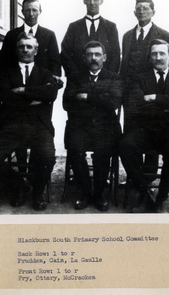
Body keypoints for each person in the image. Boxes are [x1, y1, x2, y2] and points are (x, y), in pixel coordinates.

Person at [0, 33, 58, 211]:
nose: (25, 50)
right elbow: (1, 96)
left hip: (39, 126)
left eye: (29, 46)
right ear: (17, 49)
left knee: (48, 157)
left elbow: (51, 94)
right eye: (22, 46)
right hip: (12, 126)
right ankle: (20, 185)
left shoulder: (45, 73)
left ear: (36, 50)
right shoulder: (8, 72)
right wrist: (35, 97)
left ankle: (37, 192)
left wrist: (22, 90)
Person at [119, 39, 169, 213]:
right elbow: (138, 105)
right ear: (149, 57)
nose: (158, 57)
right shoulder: (139, 80)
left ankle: (161, 196)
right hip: (146, 130)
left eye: (162, 53)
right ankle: (144, 192)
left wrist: (154, 98)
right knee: (126, 145)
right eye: (154, 54)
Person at [63, 41, 122, 211]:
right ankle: (86, 192)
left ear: (104, 57)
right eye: (89, 55)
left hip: (105, 127)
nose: (93, 58)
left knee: (103, 150)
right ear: (84, 58)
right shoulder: (75, 77)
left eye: (97, 54)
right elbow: (67, 103)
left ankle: (99, 194)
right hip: (80, 126)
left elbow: (114, 103)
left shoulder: (114, 77)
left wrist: (87, 97)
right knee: (74, 147)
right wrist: (100, 96)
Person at [0, 0, 61, 79]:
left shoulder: (49, 35)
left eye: (34, 10)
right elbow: (2, 64)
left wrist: (49, 85)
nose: (31, 14)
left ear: (40, 12)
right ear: (22, 12)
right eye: (28, 10)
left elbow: (55, 64)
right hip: (16, 85)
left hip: (41, 86)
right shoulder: (11, 35)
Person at [61, 0, 120, 76]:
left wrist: (108, 77)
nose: (92, 3)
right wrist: (75, 75)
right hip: (78, 80)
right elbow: (65, 53)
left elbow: (116, 54)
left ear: (101, 1)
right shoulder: (74, 27)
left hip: (104, 81)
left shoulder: (111, 27)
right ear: (84, 1)